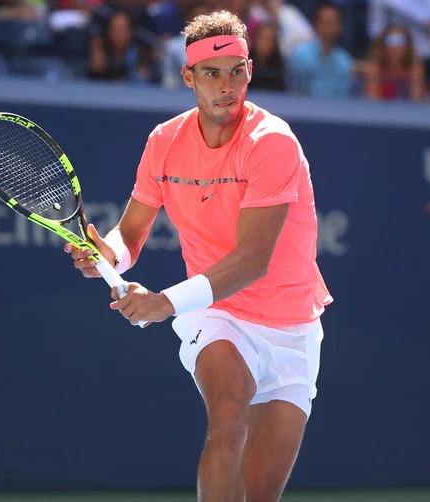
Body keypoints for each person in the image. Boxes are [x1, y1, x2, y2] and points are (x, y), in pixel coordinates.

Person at [65, 8, 332, 502]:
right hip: (218, 313)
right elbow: (130, 234)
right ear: (188, 76)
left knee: (261, 494)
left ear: (250, 70)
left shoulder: (272, 143)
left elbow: (253, 260)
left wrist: (163, 302)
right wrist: (110, 254)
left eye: (236, 71)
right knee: (228, 415)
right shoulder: (164, 142)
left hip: (293, 327)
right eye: (211, 73)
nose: (226, 86)